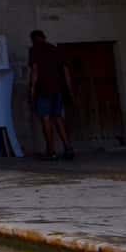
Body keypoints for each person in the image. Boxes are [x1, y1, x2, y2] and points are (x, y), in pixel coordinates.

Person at [28, 29, 75, 160]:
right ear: (44, 37)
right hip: (57, 89)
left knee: (46, 119)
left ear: (33, 39)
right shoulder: (55, 49)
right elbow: (66, 71)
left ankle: (51, 150)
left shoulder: (34, 50)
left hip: (43, 90)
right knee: (58, 117)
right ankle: (68, 147)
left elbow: (35, 71)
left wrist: (32, 90)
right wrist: (69, 91)